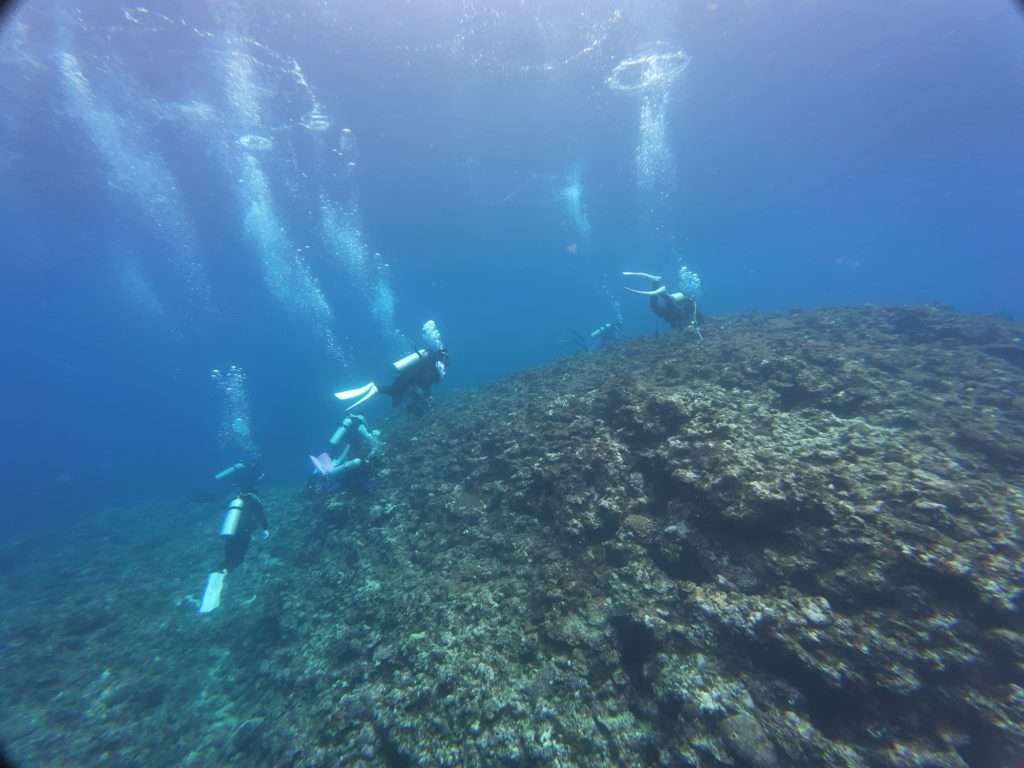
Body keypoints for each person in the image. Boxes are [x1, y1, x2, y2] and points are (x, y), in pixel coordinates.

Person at [199, 458, 269, 614]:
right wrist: (265, 530)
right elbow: (261, 515)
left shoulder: (235, 500)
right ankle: (223, 573)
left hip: (230, 533)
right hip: (244, 534)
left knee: (229, 558)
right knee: (238, 559)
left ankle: (218, 572)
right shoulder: (254, 499)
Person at [334, 320, 449, 414]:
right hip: (408, 376)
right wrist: (428, 395)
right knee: (394, 390)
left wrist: (426, 394)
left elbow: (423, 382)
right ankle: (376, 388)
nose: (445, 365)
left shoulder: (430, 362)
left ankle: (373, 387)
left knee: (396, 390)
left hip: (406, 374)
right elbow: (425, 383)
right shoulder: (434, 368)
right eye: (446, 360)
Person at [308, 413, 382, 494]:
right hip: (344, 461)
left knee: (333, 459)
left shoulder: (349, 427)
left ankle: (317, 478)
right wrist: (377, 444)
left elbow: (338, 446)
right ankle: (324, 482)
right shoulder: (360, 424)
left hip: (338, 453)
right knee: (354, 466)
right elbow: (368, 438)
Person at [623, 271, 702, 337]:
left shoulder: (689, 307)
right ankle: (664, 293)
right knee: (675, 310)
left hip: (668, 315)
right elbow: (698, 320)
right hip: (676, 314)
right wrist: (693, 325)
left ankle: (655, 282)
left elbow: (675, 326)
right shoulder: (692, 306)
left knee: (653, 306)